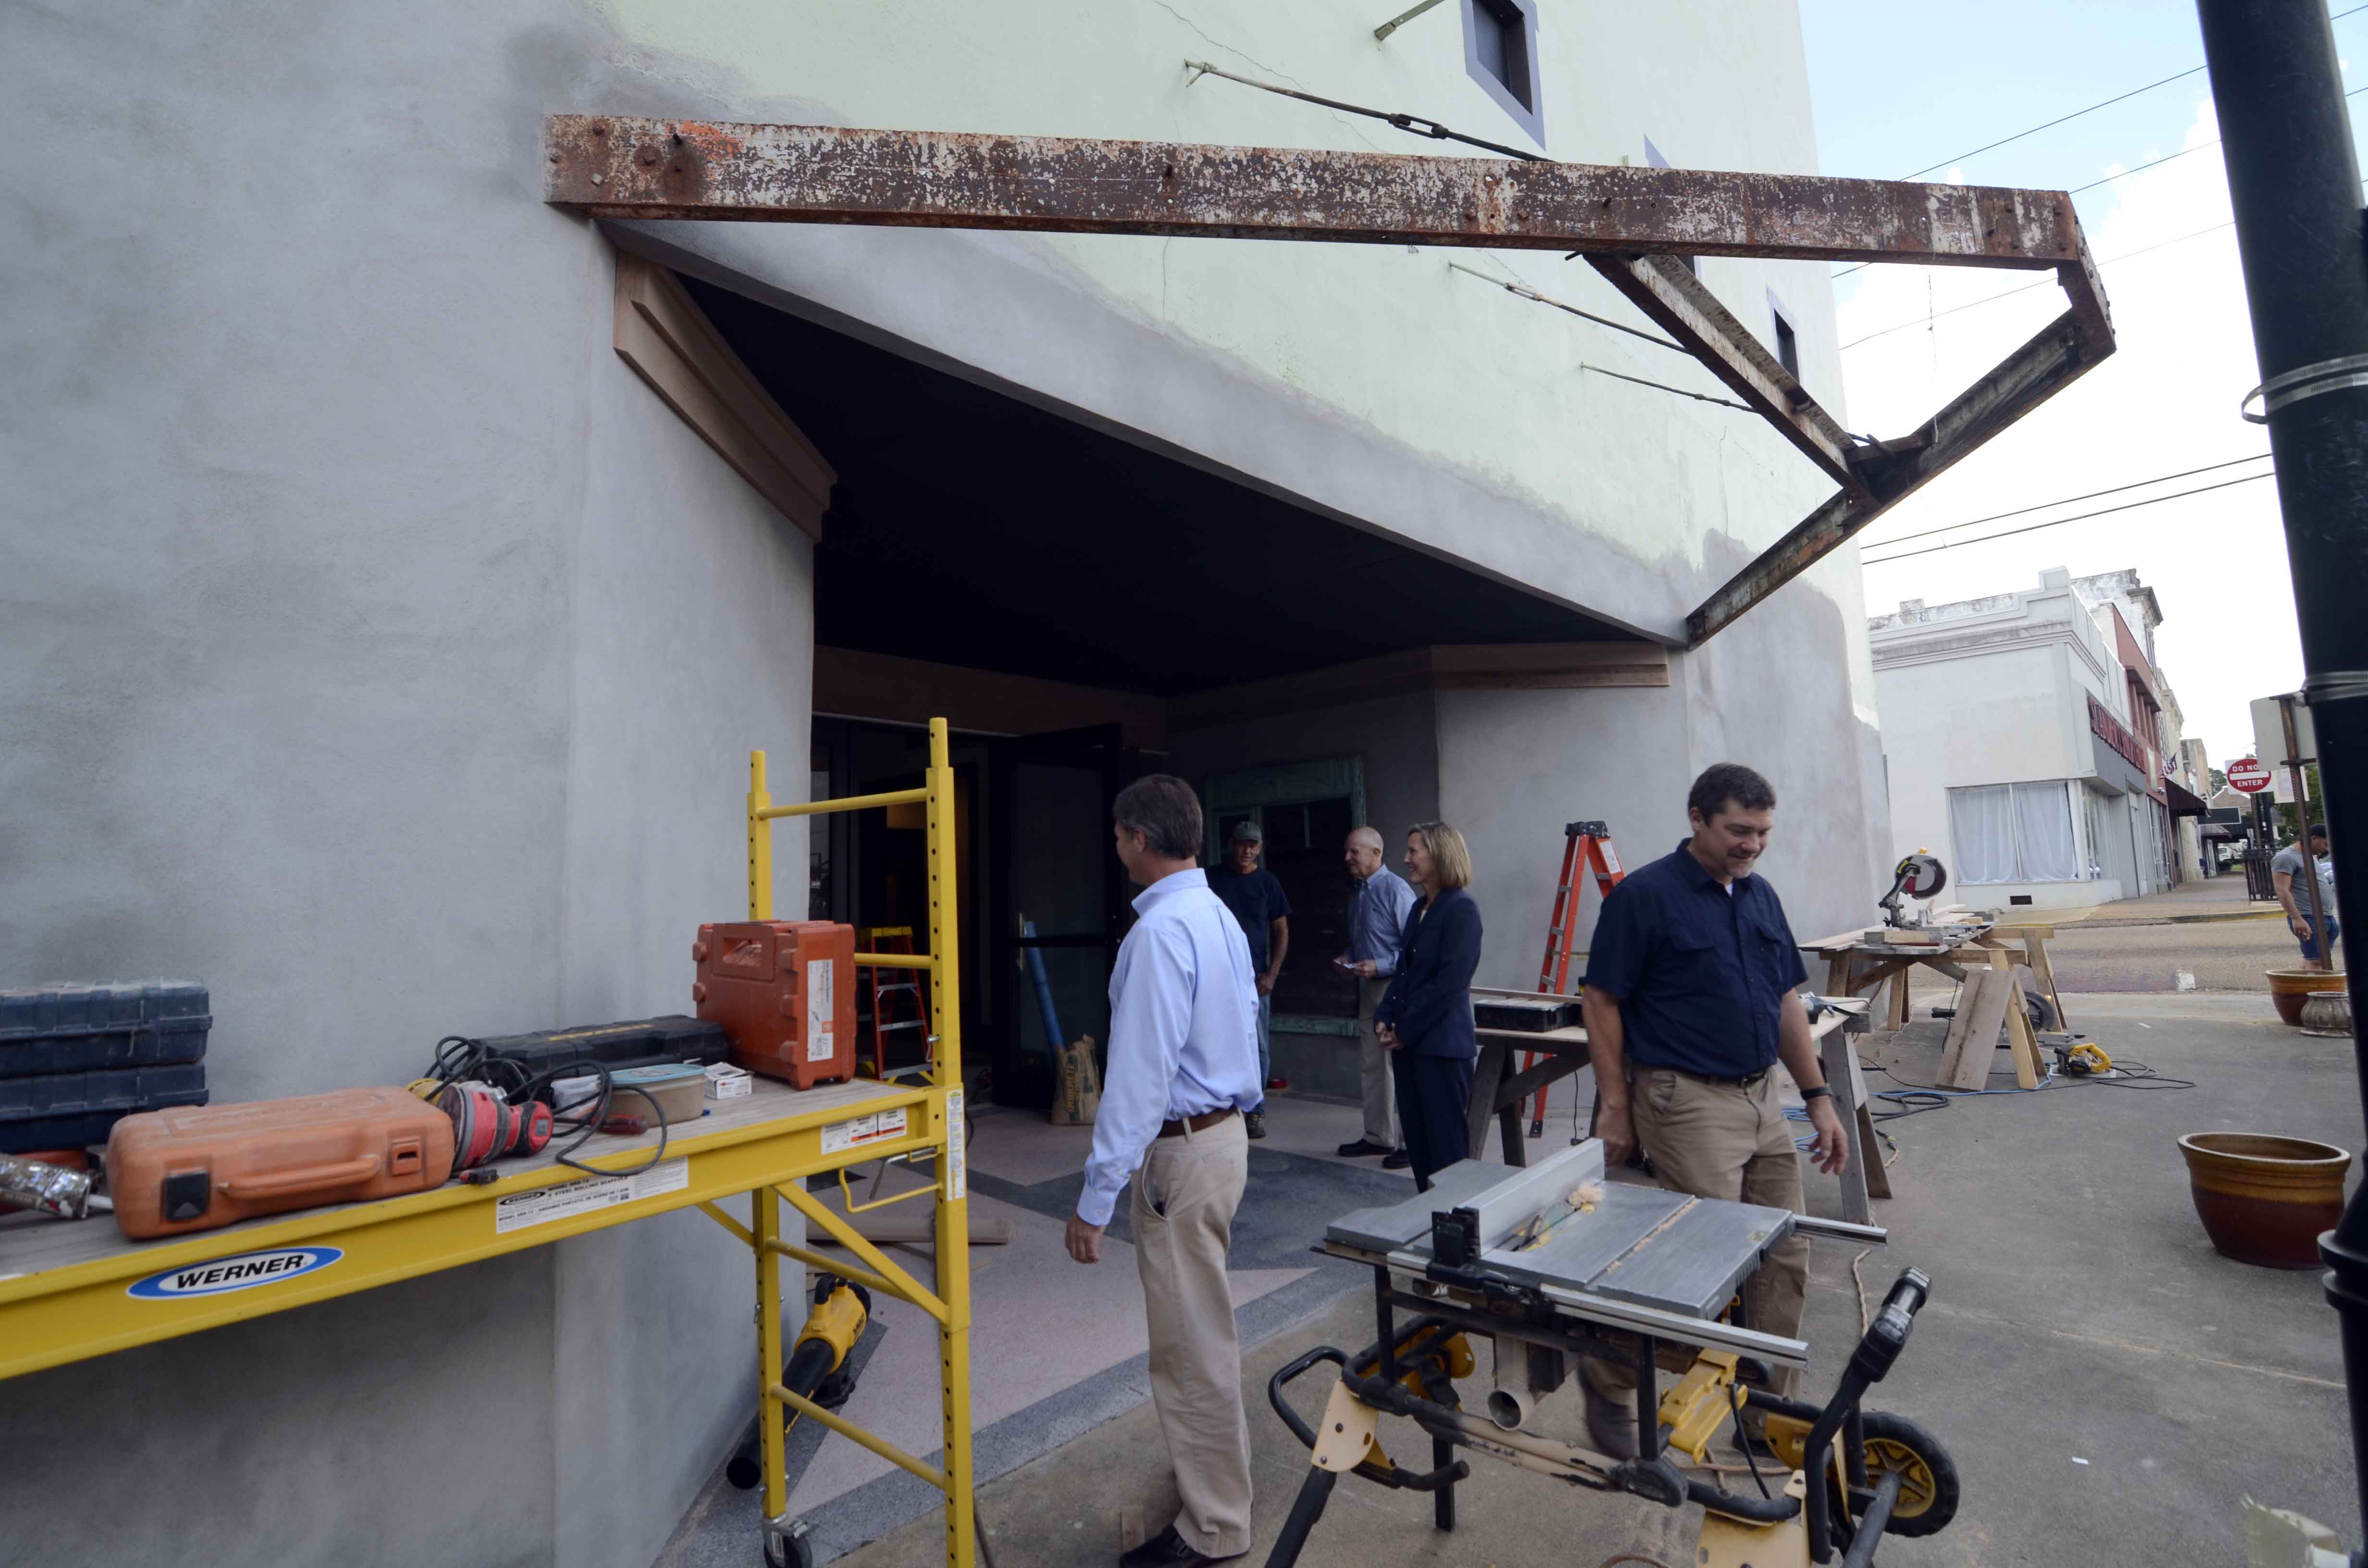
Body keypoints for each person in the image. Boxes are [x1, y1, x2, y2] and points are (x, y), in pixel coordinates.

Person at [1576, 762, 1848, 1463]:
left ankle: (1765, 1412)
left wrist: (1817, 1097)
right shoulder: (1644, 898)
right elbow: (1600, 999)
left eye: (1762, 832)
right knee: (1701, 1259)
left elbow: (1785, 1000)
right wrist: (1615, 1107)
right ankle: (1608, 1373)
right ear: (1697, 819)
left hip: (1761, 1098)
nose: (1751, 844)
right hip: (1685, 1100)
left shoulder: (1759, 896)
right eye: (1738, 830)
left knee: (1784, 1252)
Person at [1065, 774, 1261, 1568]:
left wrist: (1095, 1198)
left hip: (1183, 1149)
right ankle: (1213, 1484)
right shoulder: (1215, 915)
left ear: (1140, 839)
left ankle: (1214, 1524)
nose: (1116, 849)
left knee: (1189, 1347)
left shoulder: (1158, 934)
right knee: (1202, 1331)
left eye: (1118, 837)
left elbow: (1138, 1082)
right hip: (1222, 1139)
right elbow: (1247, 1026)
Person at [1374, 821, 1482, 1191]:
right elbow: (1404, 973)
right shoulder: (1420, 908)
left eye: (1414, 851)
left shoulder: (1462, 910)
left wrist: (1404, 1030)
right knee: (1420, 1153)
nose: (1406, 859)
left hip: (1442, 1053)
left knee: (1447, 1158)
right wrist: (1384, 1016)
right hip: (1410, 1051)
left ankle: (1455, 1225)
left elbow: (1449, 985)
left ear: (1440, 855)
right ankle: (1430, 1220)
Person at [1336, 827, 1417, 1169]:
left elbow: (1415, 950)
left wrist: (1381, 965)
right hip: (1370, 990)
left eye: (1354, 852)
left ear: (1376, 853)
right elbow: (1366, 940)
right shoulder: (1359, 894)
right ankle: (1378, 1136)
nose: (1348, 858)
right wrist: (1350, 957)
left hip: (1396, 988)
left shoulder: (1396, 890)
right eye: (1347, 851)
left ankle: (1410, 1143)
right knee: (1373, 1064)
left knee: (1401, 1065)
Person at [1205, 819, 1290, 1138]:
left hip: (1255, 979)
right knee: (1215, 1040)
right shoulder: (1211, 878)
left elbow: (1282, 931)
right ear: (1232, 844)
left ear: (1260, 849)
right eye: (1243, 844)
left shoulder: (1268, 882)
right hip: (1216, 977)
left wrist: (1272, 974)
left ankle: (1256, 1110)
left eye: (1253, 845)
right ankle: (1222, 1106)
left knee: (1258, 1046)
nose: (1248, 850)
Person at [2274, 823, 2341, 970]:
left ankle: (2302, 985)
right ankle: (2318, 986)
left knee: (2313, 959)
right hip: (2308, 916)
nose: (2326, 849)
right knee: (2318, 962)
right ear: (2314, 838)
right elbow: (2282, 889)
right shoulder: (2286, 857)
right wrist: (2297, 918)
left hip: (2325, 915)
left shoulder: (2310, 857)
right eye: (2325, 844)